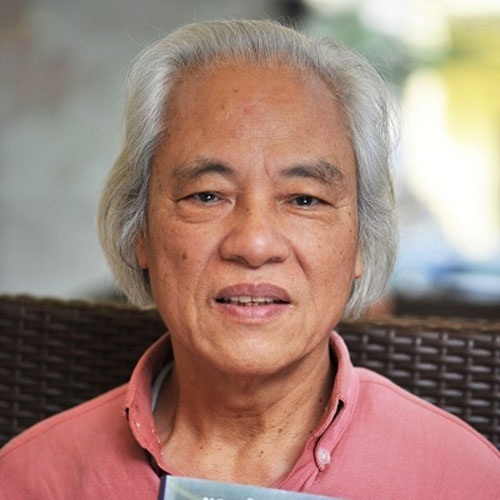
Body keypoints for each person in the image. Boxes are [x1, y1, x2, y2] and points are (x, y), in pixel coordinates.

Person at [0, 19, 498, 500]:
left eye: (304, 199)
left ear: (361, 243)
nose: (255, 244)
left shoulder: (464, 482)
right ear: (140, 233)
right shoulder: (33, 480)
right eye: (207, 195)